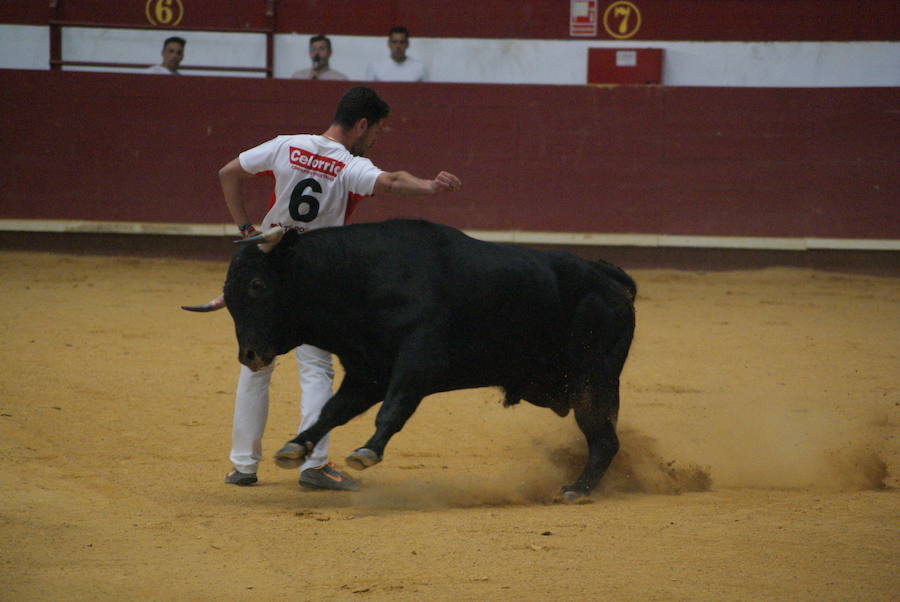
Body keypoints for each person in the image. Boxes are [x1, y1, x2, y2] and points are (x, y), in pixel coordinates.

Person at [218, 86, 461, 491]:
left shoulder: (286, 145)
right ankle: (312, 463)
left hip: (268, 266)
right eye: (377, 131)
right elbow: (393, 180)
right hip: (317, 277)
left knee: (257, 364)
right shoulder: (348, 165)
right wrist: (431, 187)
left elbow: (228, 173)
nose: (376, 140)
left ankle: (243, 465)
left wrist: (247, 230)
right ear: (361, 124)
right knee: (316, 369)